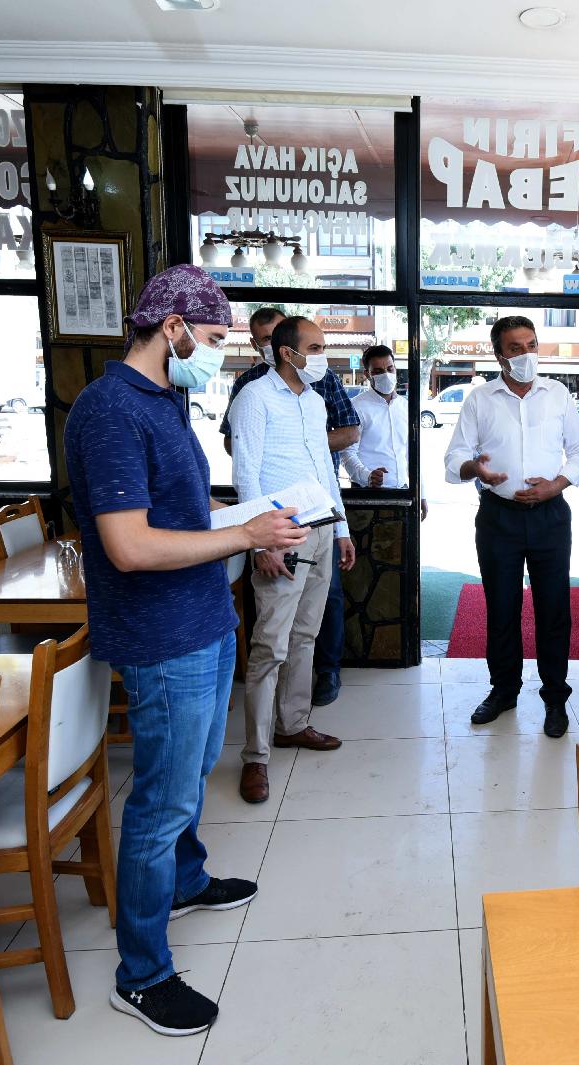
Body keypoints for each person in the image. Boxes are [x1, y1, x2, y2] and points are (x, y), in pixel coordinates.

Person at [65, 264, 308, 1036]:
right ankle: (141, 973)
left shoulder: (164, 400)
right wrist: (243, 534)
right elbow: (130, 545)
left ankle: (186, 880)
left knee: (194, 770)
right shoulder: (110, 411)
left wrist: (249, 517)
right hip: (160, 633)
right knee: (160, 799)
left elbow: (179, 506)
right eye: (210, 338)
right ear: (171, 327)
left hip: (202, 618)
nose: (217, 353)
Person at [444, 315, 579, 738]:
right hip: (499, 518)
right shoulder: (480, 399)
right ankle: (504, 691)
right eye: (515, 348)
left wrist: (556, 485)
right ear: (499, 355)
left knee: (554, 609)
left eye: (531, 345)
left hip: (550, 517)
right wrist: (476, 469)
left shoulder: (557, 394)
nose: (526, 354)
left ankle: (555, 697)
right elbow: (454, 458)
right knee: (502, 608)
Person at [230, 315, 355, 804]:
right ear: (287, 353)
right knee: (270, 646)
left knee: (305, 636)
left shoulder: (314, 400)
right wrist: (261, 543)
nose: (323, 356)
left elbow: (325, 468)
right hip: (281, 534)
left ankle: (293, 724)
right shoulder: (254, 398)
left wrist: (341, 528)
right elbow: (246, 473)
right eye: (316, 348)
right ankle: (255, 755)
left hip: (321, 528)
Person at [344, 344, 427, 520]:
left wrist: (421, 493)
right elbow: (347, 453)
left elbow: (412, 454)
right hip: (366, 495)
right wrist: (367, 476)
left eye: (390, 369)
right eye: (378, 371)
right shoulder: (356, 407)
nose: (386, 375)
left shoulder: (406, 407)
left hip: (403, 493)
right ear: (367, 374)